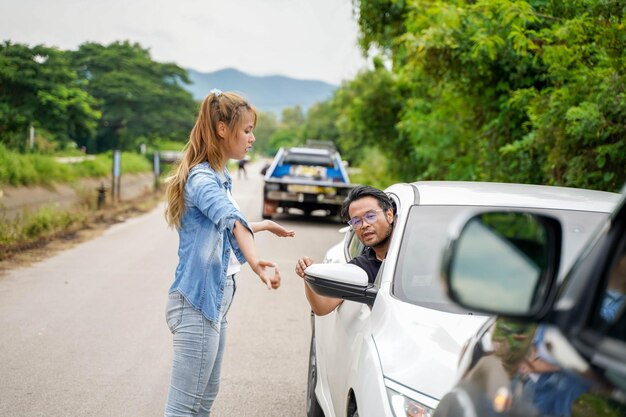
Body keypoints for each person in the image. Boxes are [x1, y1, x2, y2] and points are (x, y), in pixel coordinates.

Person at [163, 89, 295, 416]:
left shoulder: (220, 175)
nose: (252, 138)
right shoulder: (202, 179)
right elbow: (231, 221)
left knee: (203, 402)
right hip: (197, 304)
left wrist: (262, 225)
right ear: (223, 129)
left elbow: (224, 224)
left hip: (214, 304)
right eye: (247, 130)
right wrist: (256, 263)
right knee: (184, 408)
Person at [294, 185, 395, 315]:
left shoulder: (422, 258)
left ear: (389, 215)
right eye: (356, 221)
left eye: (370, 216)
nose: (364, 225)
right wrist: (307, 275)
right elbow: (322, 307)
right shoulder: (361, 267)